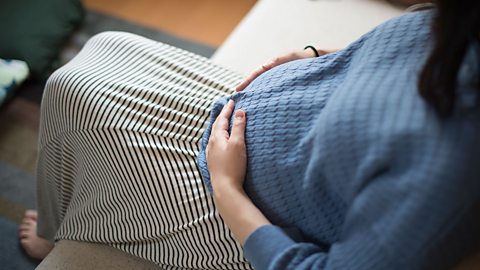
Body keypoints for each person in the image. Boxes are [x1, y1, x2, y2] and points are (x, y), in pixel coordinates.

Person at [19, 0, 479, 269]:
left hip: (245, 207)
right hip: (241, 119)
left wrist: (226, 187)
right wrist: (321, 57)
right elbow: (405, 48)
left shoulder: (451, 172)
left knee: (78, 101)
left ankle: (53, 232)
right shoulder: (462, 28)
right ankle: (56, 221)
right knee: (93, 62)